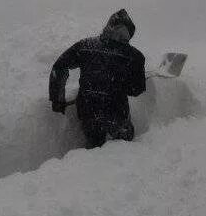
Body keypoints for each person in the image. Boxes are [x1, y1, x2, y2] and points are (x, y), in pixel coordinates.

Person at [49, 9, 146, 149]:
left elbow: (59, 67)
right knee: (124, 148)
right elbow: (136, 89)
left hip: (88, 112)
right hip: (117, 114)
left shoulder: (85, 46)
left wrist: (57, 99)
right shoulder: (134, 56)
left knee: (94, 145)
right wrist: (123, 82)